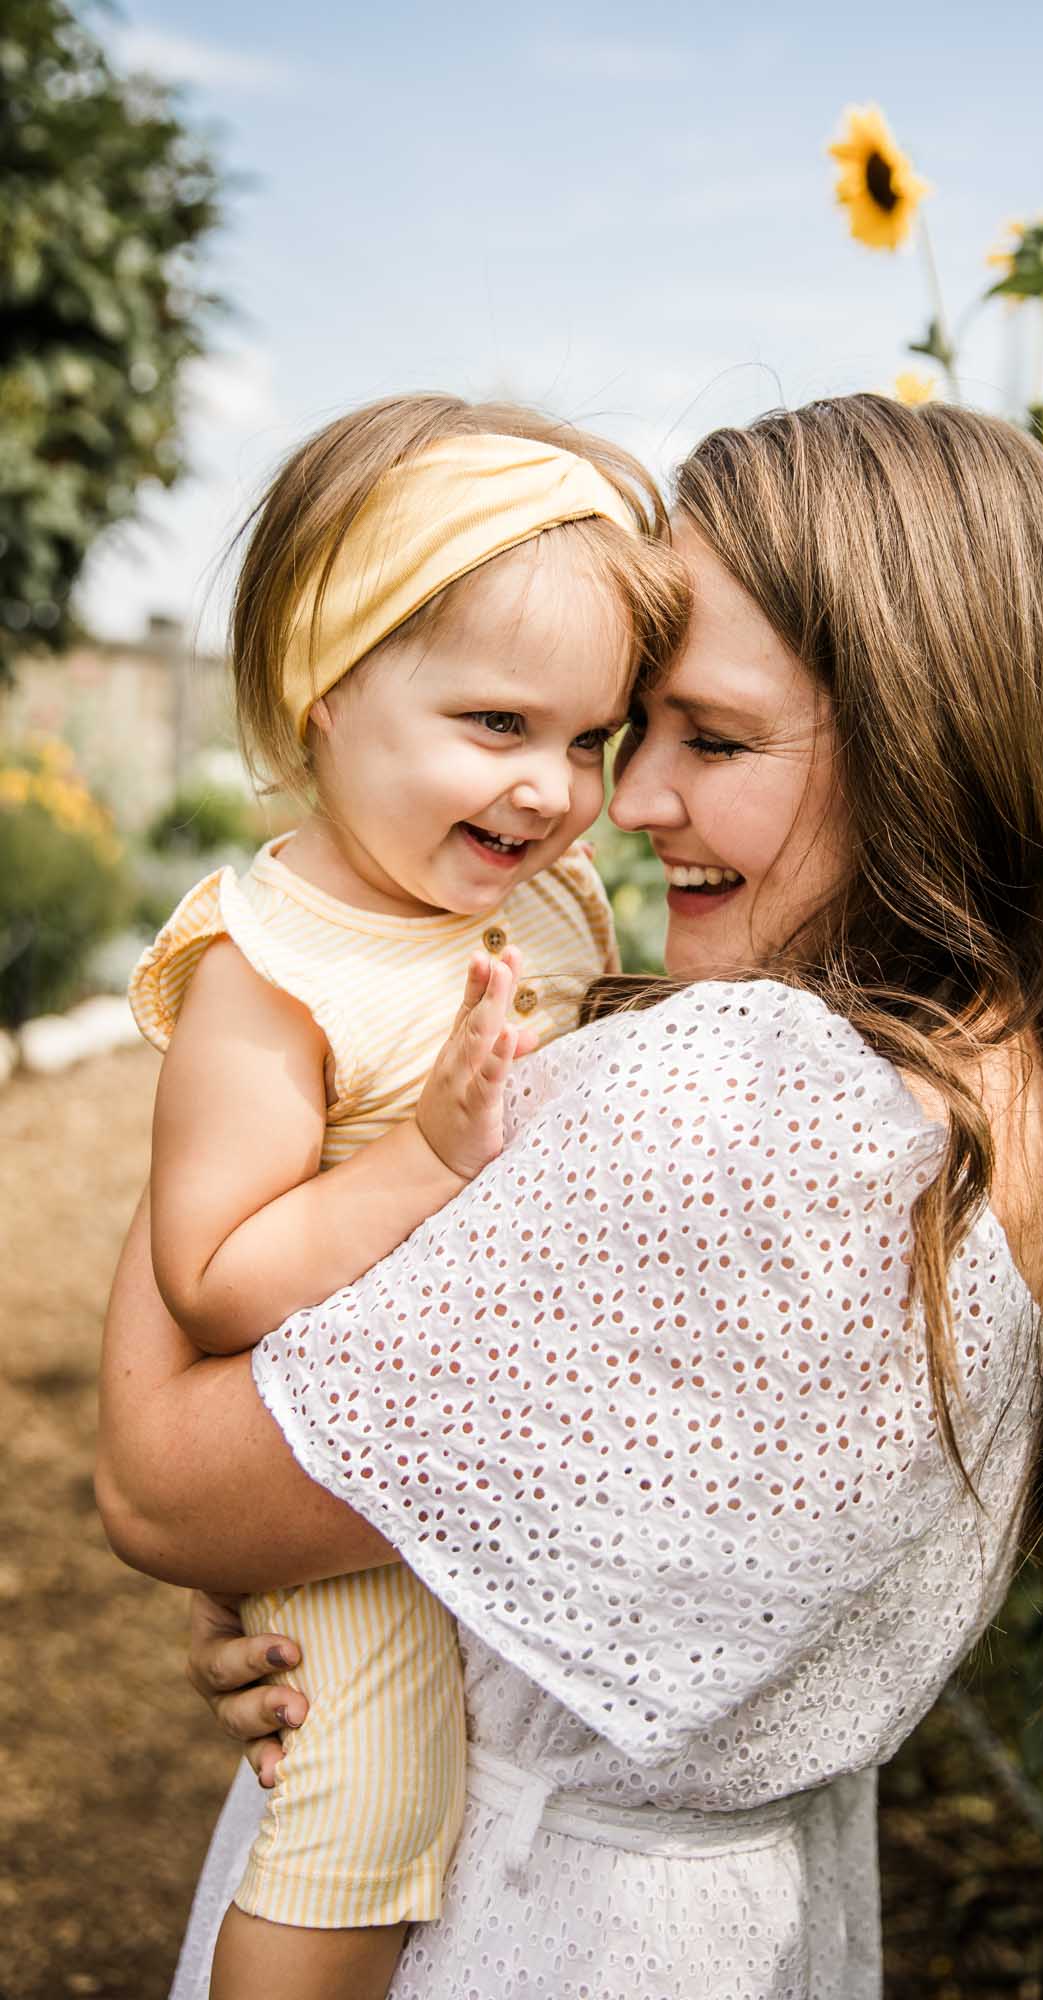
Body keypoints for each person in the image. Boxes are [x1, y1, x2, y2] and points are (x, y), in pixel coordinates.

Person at [98, 393, 1043, 2000]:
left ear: (932, 739)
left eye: (712, 740)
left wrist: (260, 1026)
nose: (624, 803)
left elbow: (160, 1484)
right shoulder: (1015, 1077)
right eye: (635, 733)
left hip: (513, 1927)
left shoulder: (746, 1104)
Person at [122, 392, 687, 1999]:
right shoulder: (273, 973)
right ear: (326, 692)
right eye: (497, 726)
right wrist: (425, 1157)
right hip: (333, 1469)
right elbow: (214, 1278)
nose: (555, 792)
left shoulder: (541, 899)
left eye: (589, 741)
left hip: (461, 1442)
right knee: (364, 1807)